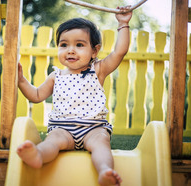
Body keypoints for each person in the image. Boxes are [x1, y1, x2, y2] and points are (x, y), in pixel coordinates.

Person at [17, 6, 132, 186]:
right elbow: (37, 95)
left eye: (79, 45)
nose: (70, 50)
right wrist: (22, 81)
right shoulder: (56, 76)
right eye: (64, 45)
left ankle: (104, 171)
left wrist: (123, 24)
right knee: (52, 141)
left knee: (101, 144)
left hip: (93, 129)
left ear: (94, 51)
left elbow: (119, 52)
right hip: (62, 129)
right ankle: (38, 155)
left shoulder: (98, 70)